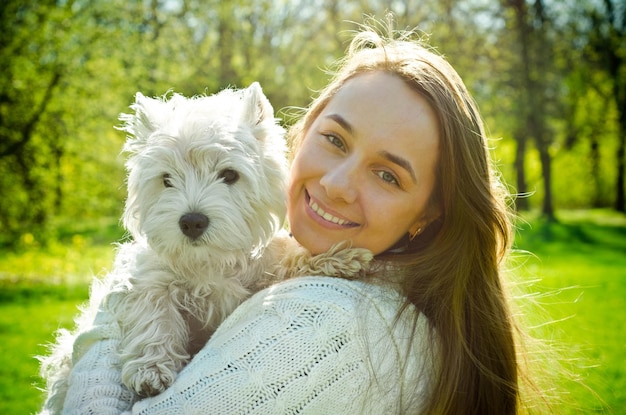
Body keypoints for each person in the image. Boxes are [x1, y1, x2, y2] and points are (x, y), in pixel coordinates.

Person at [53, 18, 542, 415]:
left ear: (432, 212)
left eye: (388, 175)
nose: (334, 185)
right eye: (334, 139)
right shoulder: (306, 269)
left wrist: (107, 321)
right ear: (300, 132)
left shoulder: (328, 328)